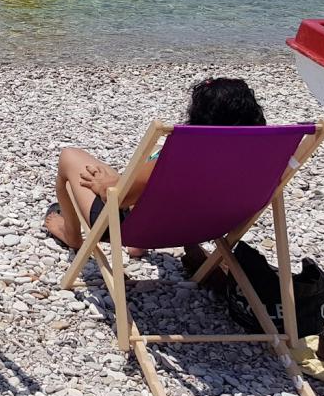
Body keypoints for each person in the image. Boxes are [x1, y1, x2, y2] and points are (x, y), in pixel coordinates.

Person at [43, 77, 267, 260]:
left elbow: (119, 199)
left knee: (69, 156)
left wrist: (104, 186)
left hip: (134, 229)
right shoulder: (259, 159)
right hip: (206, 227)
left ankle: (71, 236)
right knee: (148, 167)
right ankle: (151, 246)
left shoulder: (181, 157)